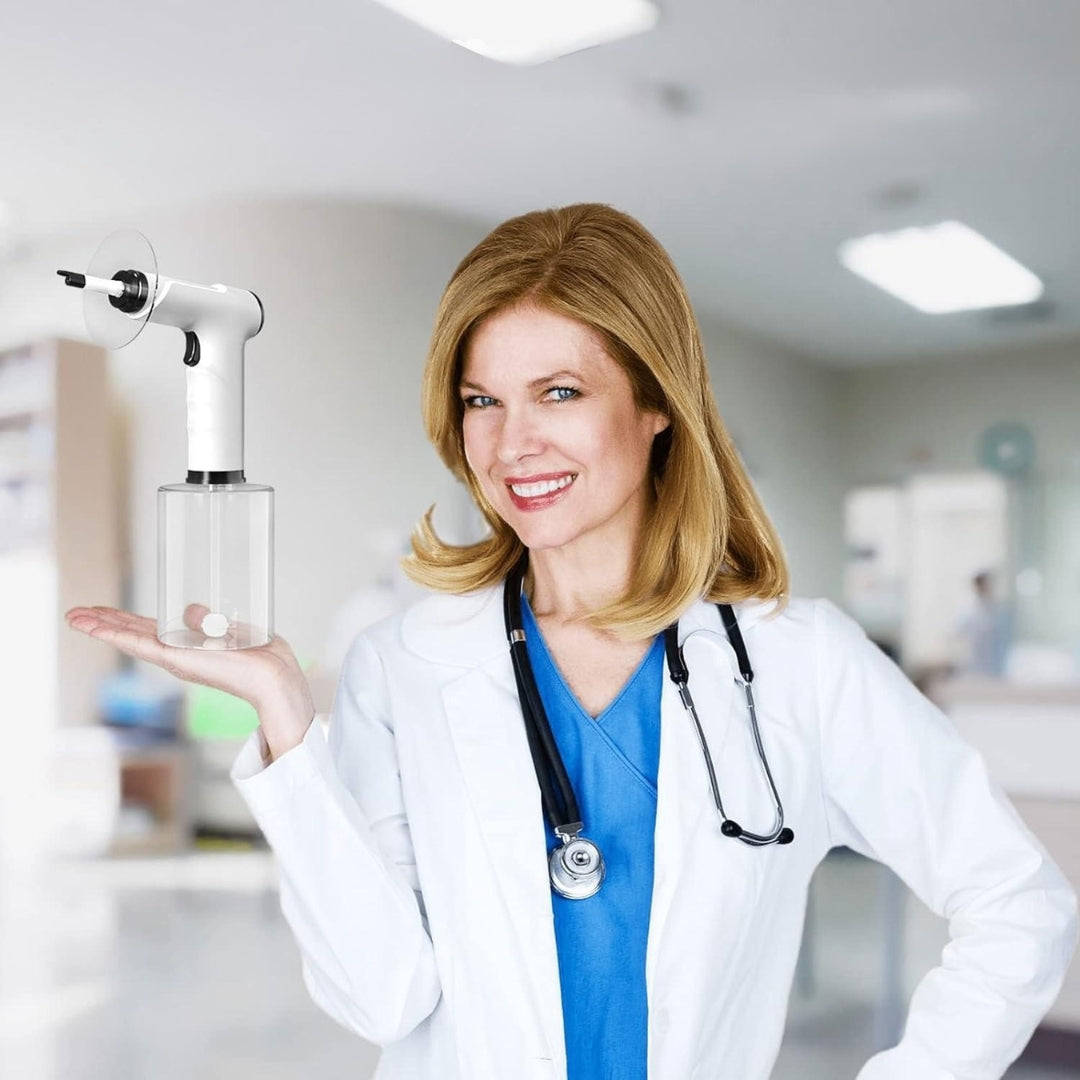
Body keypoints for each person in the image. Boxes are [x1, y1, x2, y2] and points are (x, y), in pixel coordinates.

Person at [66, 204, 1077, 1080]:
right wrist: (288, 722)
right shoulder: (403, 666)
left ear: (655, 404)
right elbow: (382, 998)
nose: (513, 444)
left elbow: (1017, 901)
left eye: (560, 392)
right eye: (482, 400)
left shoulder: (798, 663)